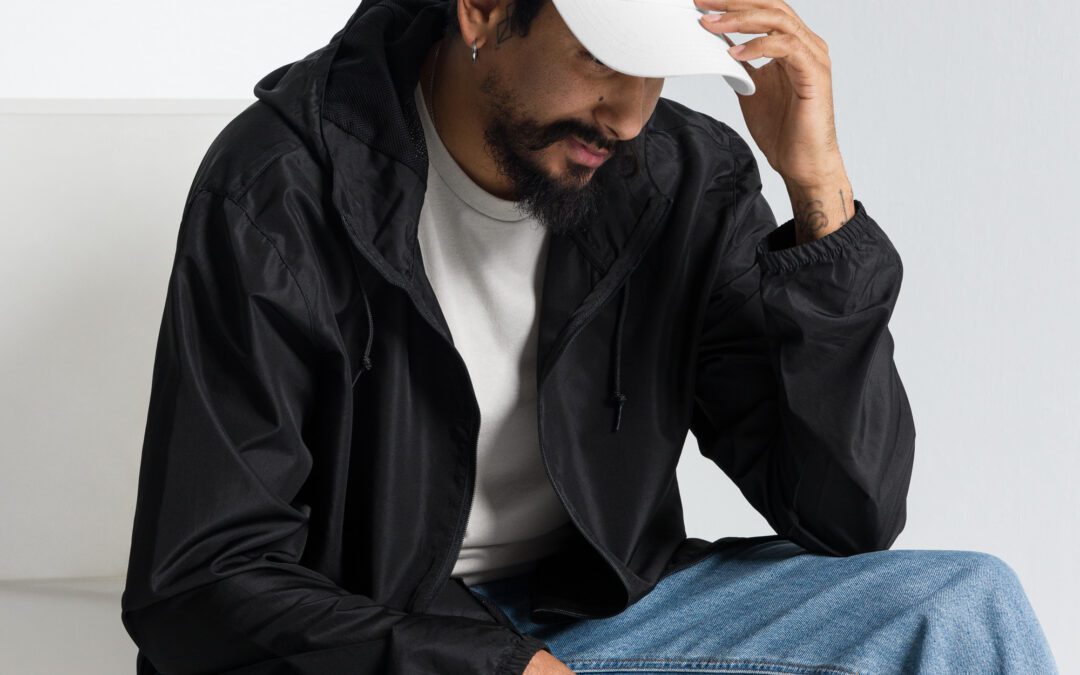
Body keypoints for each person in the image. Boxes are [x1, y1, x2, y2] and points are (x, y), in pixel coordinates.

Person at [120, 0, 1059, 673]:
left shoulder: (680, 176)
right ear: (482, 12)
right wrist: (489, 667)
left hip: (603, 610)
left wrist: (818, 196)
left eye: (658, 69)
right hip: (385, 636)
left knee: (963, 603)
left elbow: (848, 515)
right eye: (604, 60)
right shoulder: (279, 188)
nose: (631, 113)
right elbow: (199, 579)